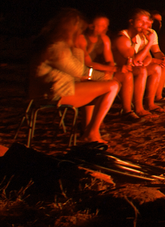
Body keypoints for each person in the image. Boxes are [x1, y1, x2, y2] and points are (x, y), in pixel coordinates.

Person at [29, 9, 119, 143]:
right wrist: (103, 76)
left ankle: (88, 129)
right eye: (78, 29)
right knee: (112, 86)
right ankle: (91, 132)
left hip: (51, 89)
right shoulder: (56, 47)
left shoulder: (53, 43)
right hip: (52, 92)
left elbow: (78, 72)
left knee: (94, 87)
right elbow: (79, 71)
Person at [113, 9, 165, 116]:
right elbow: (133, 60)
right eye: (141, 21)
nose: (145, 25)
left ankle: (150, 103)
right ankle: (138, 108)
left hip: (132, 67)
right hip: (118, 70)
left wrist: (144, 63)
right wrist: (149, 43)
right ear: (131, 22)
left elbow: (148, 57)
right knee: (141, 71)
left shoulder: (141, 36)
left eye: (147, 22)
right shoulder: (122, 37)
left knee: (156, 68)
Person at [83, 15, 137, 120]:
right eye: (102, 25)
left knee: (126, 75)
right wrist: (113, 69)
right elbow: (87, 63)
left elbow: (110, 61)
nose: (106, 28)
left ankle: (127, 111)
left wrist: (111, 70)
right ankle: (90, 121)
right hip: (85, 72)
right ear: (91, 26)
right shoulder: (82, 39)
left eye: (106, 25)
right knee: (95, 81)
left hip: (101, 70)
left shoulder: (104, 39)